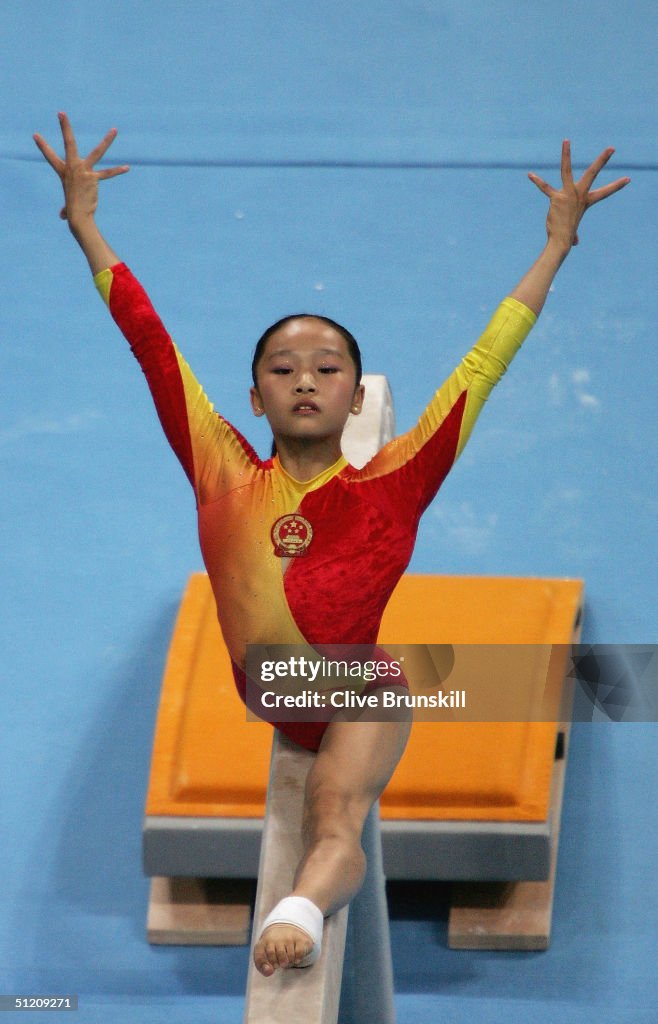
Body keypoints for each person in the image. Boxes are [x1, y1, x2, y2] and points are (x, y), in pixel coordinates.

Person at [34, 114, 629, 977]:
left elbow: (485, 362)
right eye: (282, 368)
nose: (304, 377)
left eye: (326, 366)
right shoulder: (223, 473)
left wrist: (557, 246)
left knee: (335, 812)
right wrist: (87, 224)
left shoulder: (398, 480)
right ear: (253, 396)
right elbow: (152, 346)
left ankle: (303, 908)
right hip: (278, 684)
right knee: (457, 678)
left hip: (356, 690)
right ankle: (542, 685)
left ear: (357, 398)